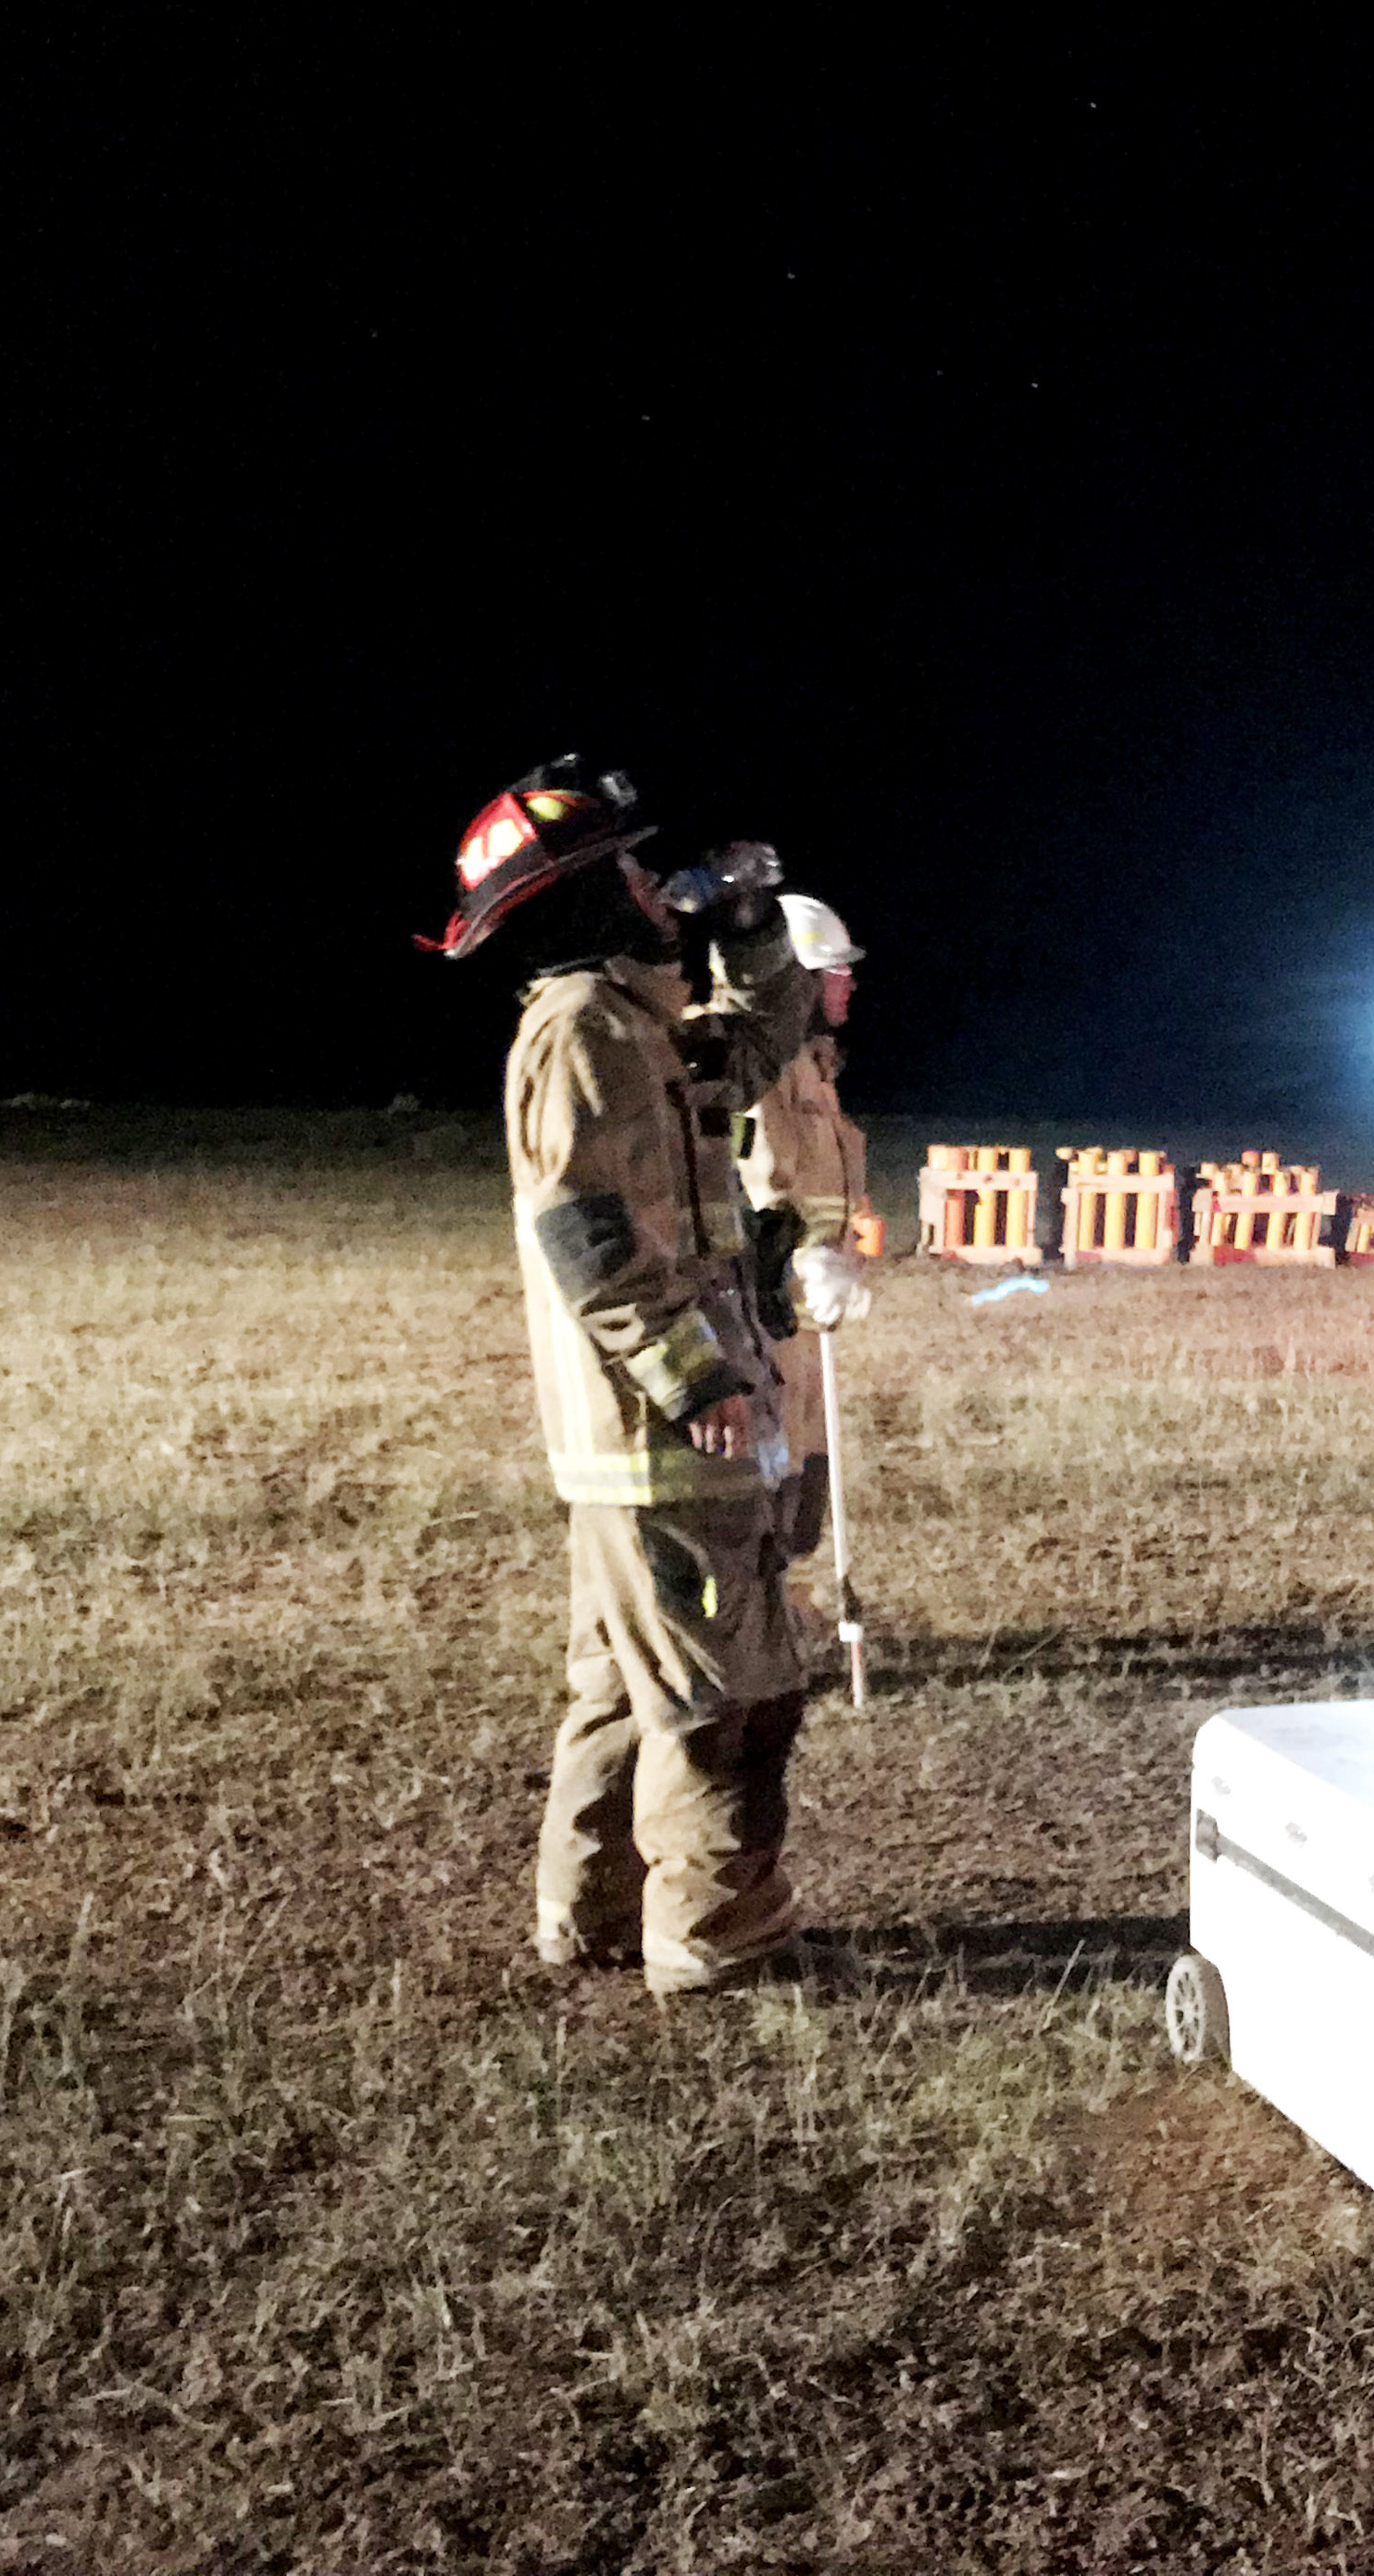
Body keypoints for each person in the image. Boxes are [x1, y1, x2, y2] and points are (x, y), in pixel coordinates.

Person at [422, 755, 831, 1991]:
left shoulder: (637, 1028)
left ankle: (587, 1915)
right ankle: (719, 1940)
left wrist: (751, 926)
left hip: (645, 1441)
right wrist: (700, 1383)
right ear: (584, 899)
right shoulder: (587, 1033)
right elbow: (588, 1233)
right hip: (662, 1437)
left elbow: (760, 1043)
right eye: (634, 871)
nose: (661, 884)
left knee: (624, 1684)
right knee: (726, 1695)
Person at [734, 894, 875, 1618]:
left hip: (805, 1312)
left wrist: (840, 1256)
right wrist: (800, 1258)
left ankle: (781, 1607)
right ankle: (759, 1615)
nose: (848, 983)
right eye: (833, 971)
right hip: (766, 1308)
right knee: (766, 1463)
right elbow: (759, 1185)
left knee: (802, 1466)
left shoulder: (815, 1068)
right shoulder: (765, 1067)